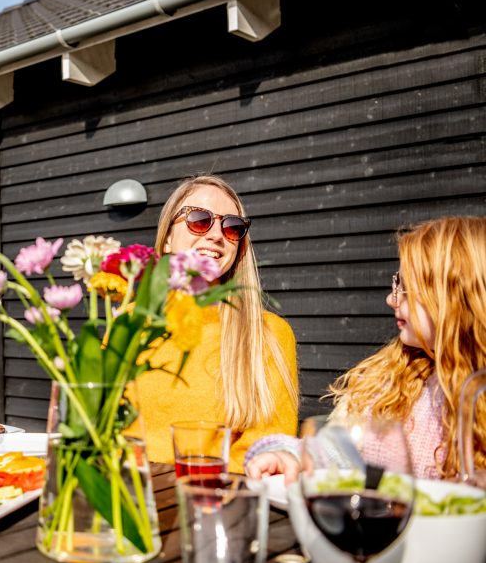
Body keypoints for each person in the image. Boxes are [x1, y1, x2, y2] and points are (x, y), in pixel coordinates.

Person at [246, 216, 486, 482]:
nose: (391, 298)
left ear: (457, 296)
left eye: (407, 288)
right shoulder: (394, 379)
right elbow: (338, 452)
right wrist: (291, 456)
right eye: (398, 283)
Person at [133, 174, 299, 471]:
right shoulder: (130, 322)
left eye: (232, 227)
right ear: (167, 238)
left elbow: (266, 449)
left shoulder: (267, 333)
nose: (216, 235)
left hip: (214, 490)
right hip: (123, 488)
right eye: (199, 220)